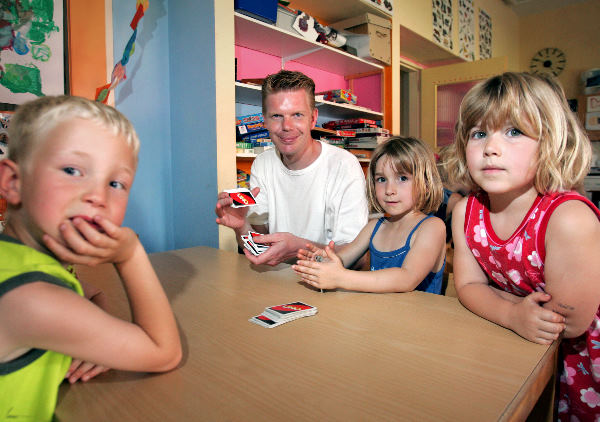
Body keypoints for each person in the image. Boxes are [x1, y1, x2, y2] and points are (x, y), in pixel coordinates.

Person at [0, 96, 182, 421]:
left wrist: (89, 335)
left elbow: (91, 293)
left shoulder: (18, 258)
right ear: (14, 182)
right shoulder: (32, 299)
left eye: (115, 183)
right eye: (72, 170)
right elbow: (163, 351)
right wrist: (129, 255)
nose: (97, 196)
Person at [448, 72, 600, 421]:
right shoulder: (465, 212)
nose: (490, 147)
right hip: (515, 343)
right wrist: (512, 314)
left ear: (551, 143)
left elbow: (569, 324)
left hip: (580, 359)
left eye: (514, 131)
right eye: (479, 133)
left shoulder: (569, 218)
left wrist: (506, 305)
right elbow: (468, 286)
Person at [215, 70, 368, 266]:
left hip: (330, 289)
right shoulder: (262, 164)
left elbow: (358, 260)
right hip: (280, 283)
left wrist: (299, 248)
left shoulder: (344, 165)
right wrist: (241, 226)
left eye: (297, 114)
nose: (286, 126)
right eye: (277, 116)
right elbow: (259, 250)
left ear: (313, 118)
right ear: (265, 121)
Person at [292, 136, 446, 294]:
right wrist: (325, 261)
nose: (389, 190)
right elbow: (343, 259)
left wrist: (341, 277)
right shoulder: (374, 226)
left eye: (402, 178)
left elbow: (407, 279)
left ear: (427, 184)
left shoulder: (432, 227)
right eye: (381, 179)